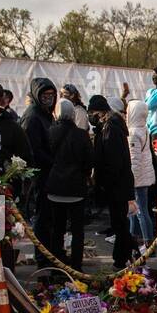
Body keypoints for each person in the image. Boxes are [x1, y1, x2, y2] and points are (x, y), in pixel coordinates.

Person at [43, 99, 94, 271]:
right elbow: (89, 162)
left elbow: (45, 158)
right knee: (77, 230)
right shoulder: (82, 134)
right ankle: (77, 265)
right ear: (72, 113)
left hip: (55, 187)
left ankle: (57, 263)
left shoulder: (50, 132)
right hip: (76, 188)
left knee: (57, 229)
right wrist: (85, 175)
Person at [88, 94, 134, 268]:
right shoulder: (109, 126)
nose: (90, 116)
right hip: (118, 182)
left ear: (100, 112)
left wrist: (104, 181)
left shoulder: (110, 128)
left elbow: (112, 160)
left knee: (119, 222)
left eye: (92, 112)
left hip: (117, 184)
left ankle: (122, 257)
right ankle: (126, 253)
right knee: (119, 221)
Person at [17, 76, 59, 247]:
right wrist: (53, 161)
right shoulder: (33, 117)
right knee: (41, 220)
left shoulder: (45, 114)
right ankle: (43, 260)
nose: (48, 98)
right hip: (39, 176)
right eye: (44, 95)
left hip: (48, 174)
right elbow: (32, 150)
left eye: (51, 94)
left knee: (48, 219)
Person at [126, 99, 156, 260]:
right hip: (145, 177)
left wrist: (130, 181)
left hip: (137, 178)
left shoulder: (132, 133)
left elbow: (134, 161)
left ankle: (144, 243)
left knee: (138, 212)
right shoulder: (144, 129)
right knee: (142, 211)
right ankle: (144, 242)